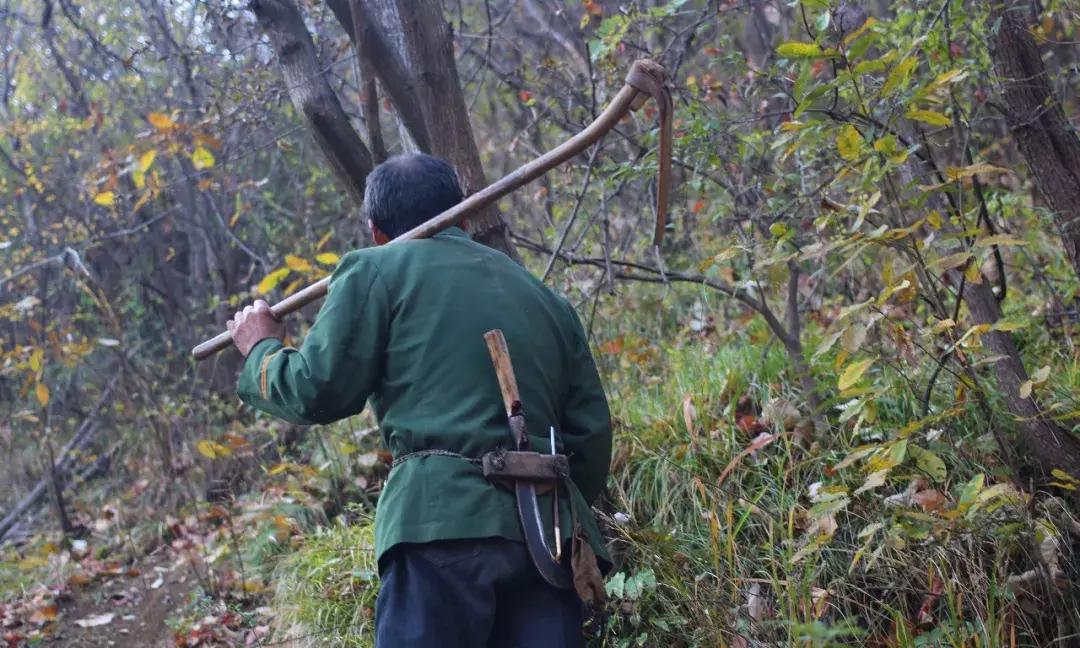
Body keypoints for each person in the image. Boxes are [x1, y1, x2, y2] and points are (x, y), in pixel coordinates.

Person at [226, 153, 612, 648]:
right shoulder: (547, 300)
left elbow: (316, 390)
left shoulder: (375, 269)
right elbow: (590, 439)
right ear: (464, 217)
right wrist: (550, 506)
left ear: (376, 232)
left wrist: (261, 350)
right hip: (548, 539)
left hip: (439, 526)